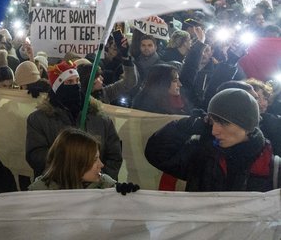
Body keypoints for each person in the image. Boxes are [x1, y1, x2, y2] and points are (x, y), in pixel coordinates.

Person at [145, 88, 281, 191]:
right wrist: (184, 126)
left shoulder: (272, 169)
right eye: (213, 121)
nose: (214, 130)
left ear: (247, 126)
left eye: (223, 123)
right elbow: (158, 155)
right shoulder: (203, 153)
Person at [26, 61, 122, 179]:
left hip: (95, 187)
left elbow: (114, 156)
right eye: (69, 82)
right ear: (58, 87)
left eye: (77, 81)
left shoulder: (100, 118)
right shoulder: (39, 119)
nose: (75, 86)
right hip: (58, 187)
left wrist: (99, 180)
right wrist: (69, 171)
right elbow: (36, 155)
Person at [29, 128, 139, 194]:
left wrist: (128, 203)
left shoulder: (105, 186)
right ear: (74, 164)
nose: (101, 164)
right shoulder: (38, 195)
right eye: (94, 159)